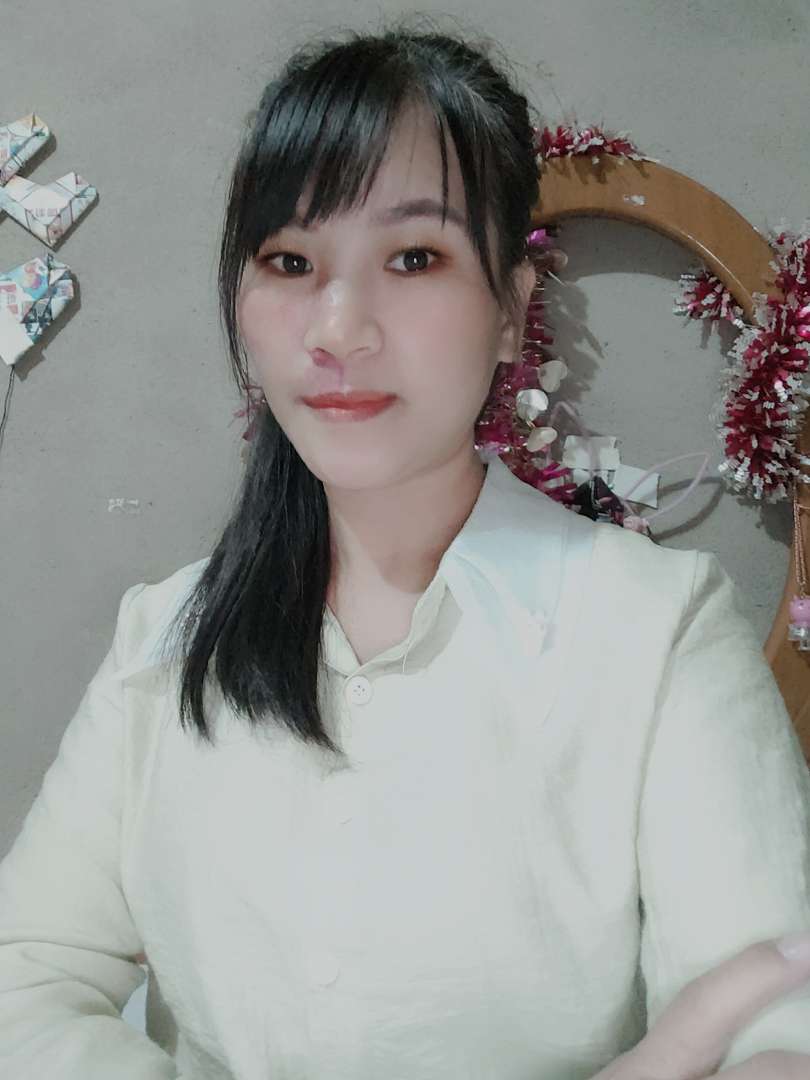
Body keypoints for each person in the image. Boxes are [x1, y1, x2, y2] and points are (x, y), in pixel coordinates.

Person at [1, 17, 810, 1080]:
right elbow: (26, 977)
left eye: (415, 257)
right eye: (291, 261)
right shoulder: (165, 640)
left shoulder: (657, 636)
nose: (338, 328)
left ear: (511, 311)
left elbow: (770, 1029)